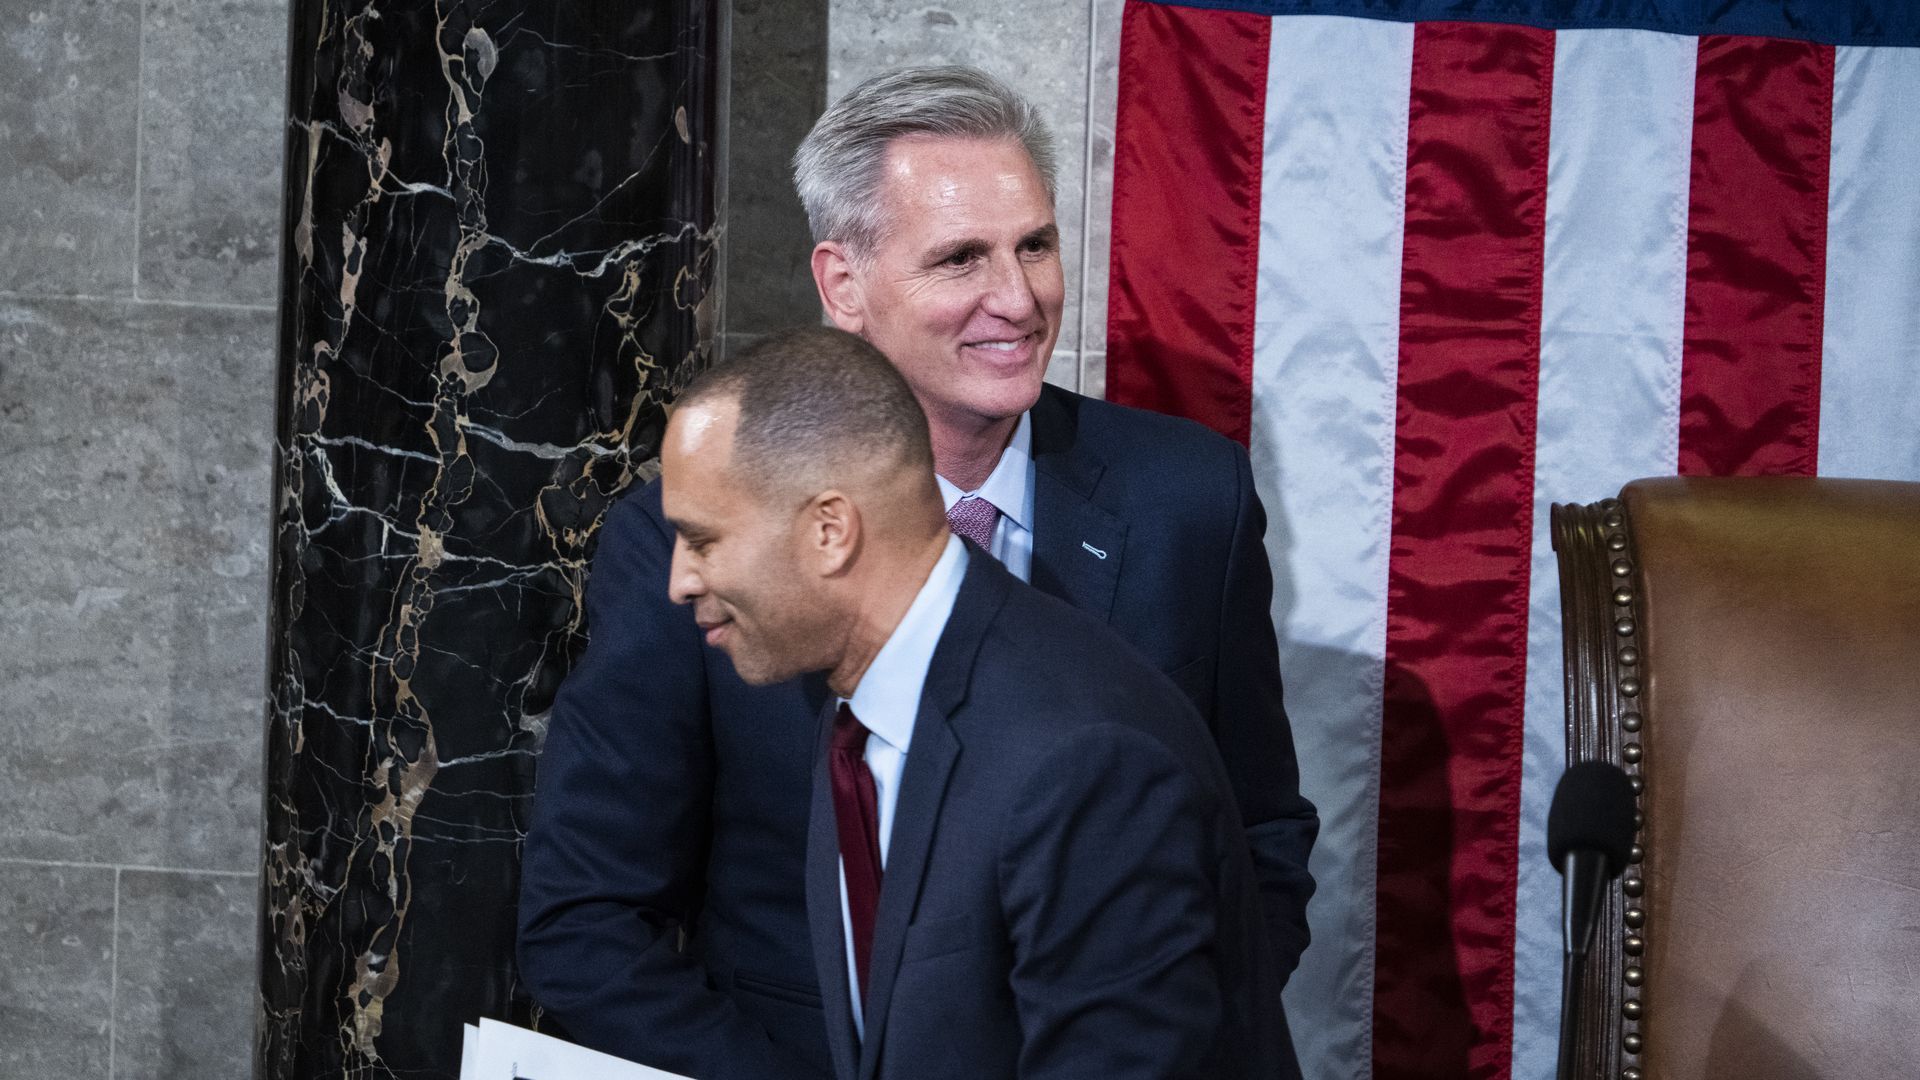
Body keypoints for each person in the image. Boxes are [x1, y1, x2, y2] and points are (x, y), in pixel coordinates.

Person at [518, 66, 1316, 1079]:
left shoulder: (1188, 500)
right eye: (960, 259)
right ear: (843, 285)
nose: (1018, 299)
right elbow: (585, 920)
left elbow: (1255, 843)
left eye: (1035, 244)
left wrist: (1158, 1020)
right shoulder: (692, 545)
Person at [663, 326, 1291, 1079]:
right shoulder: (855, 715)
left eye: (701, 540)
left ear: (830, 532)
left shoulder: (1085, 765)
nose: (680, 581)